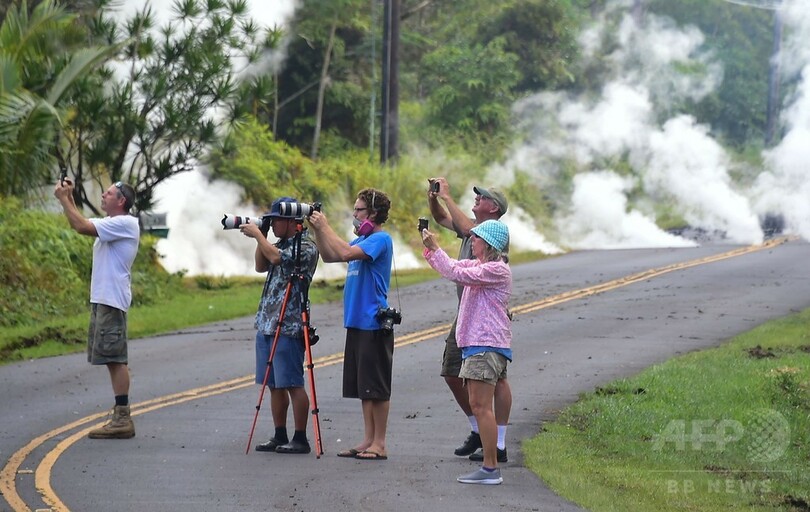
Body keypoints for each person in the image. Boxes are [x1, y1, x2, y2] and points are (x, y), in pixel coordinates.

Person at [421, 219, 512, 485]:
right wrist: (430, 250)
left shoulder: (496, 269)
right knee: (479, 405)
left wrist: (436, 248)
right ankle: (489, 465)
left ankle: (490, 468)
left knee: (481, 407)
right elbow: (452, 267)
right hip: (479, 343)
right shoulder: (481, 265)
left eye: (477, 237)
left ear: (489, 244)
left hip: (485, 344)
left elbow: (455, 273)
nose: (472, 240)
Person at [307, 188, 394, 461]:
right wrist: (319, 231)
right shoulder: (364, 240)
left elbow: (343, 252)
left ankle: (379, 443)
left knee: (376, 386)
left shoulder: (379, 239)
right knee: (364, 387)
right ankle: (368, 439)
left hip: (373, 323)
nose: (354, 215)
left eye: (359, 210)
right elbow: (331, 255)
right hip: (356, 322)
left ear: (373, 214)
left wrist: (326, 225)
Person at [54, 179, 140, 439]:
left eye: (109, 193)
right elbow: (81, 221)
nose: (103, 195)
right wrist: (67, 197)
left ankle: (122, 417)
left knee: (115, 358)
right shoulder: (113, 225)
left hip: (111, 300)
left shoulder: (125, 223)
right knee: (112, 358)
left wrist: (63, 199)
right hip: (105, 299)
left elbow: (81, 225)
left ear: (121, 201)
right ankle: (120, 415)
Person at [241, 197, 319, 455]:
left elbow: (275, 259)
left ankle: (300, 437)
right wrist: (261, 234)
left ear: (291, 221)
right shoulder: (280, 243)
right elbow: (261, 264)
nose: (272, 224)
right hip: (267, 322)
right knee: (273, 384)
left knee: (292, 383)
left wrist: (258, 237)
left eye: (276, 220)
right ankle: (279, 434)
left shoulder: (305, 247)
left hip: (289, 323)